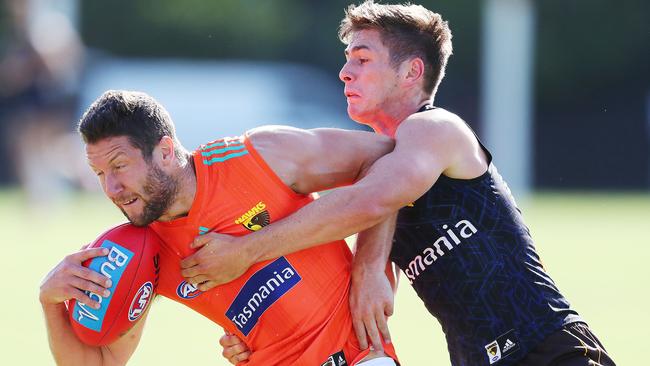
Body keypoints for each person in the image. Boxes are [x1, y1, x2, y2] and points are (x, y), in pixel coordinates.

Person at [183, 1, 616, 365]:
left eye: (363, 59)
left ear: (412, 72)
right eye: (347, 59)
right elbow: (342, 290)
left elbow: (367, 202)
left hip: (550, 349)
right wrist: (263, 334)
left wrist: (245, 251)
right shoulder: (383, 160)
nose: (345, 72)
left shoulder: (436, 128)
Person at [38, 90, 400, 365]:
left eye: (119, 166)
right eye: (99, 174)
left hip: (361, 355)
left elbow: (384, 157)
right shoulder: (137, 250)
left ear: (165, 152)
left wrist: (370, 266)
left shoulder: (257, 157)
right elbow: (101, 360)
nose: (110, 189)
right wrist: (50, 302)